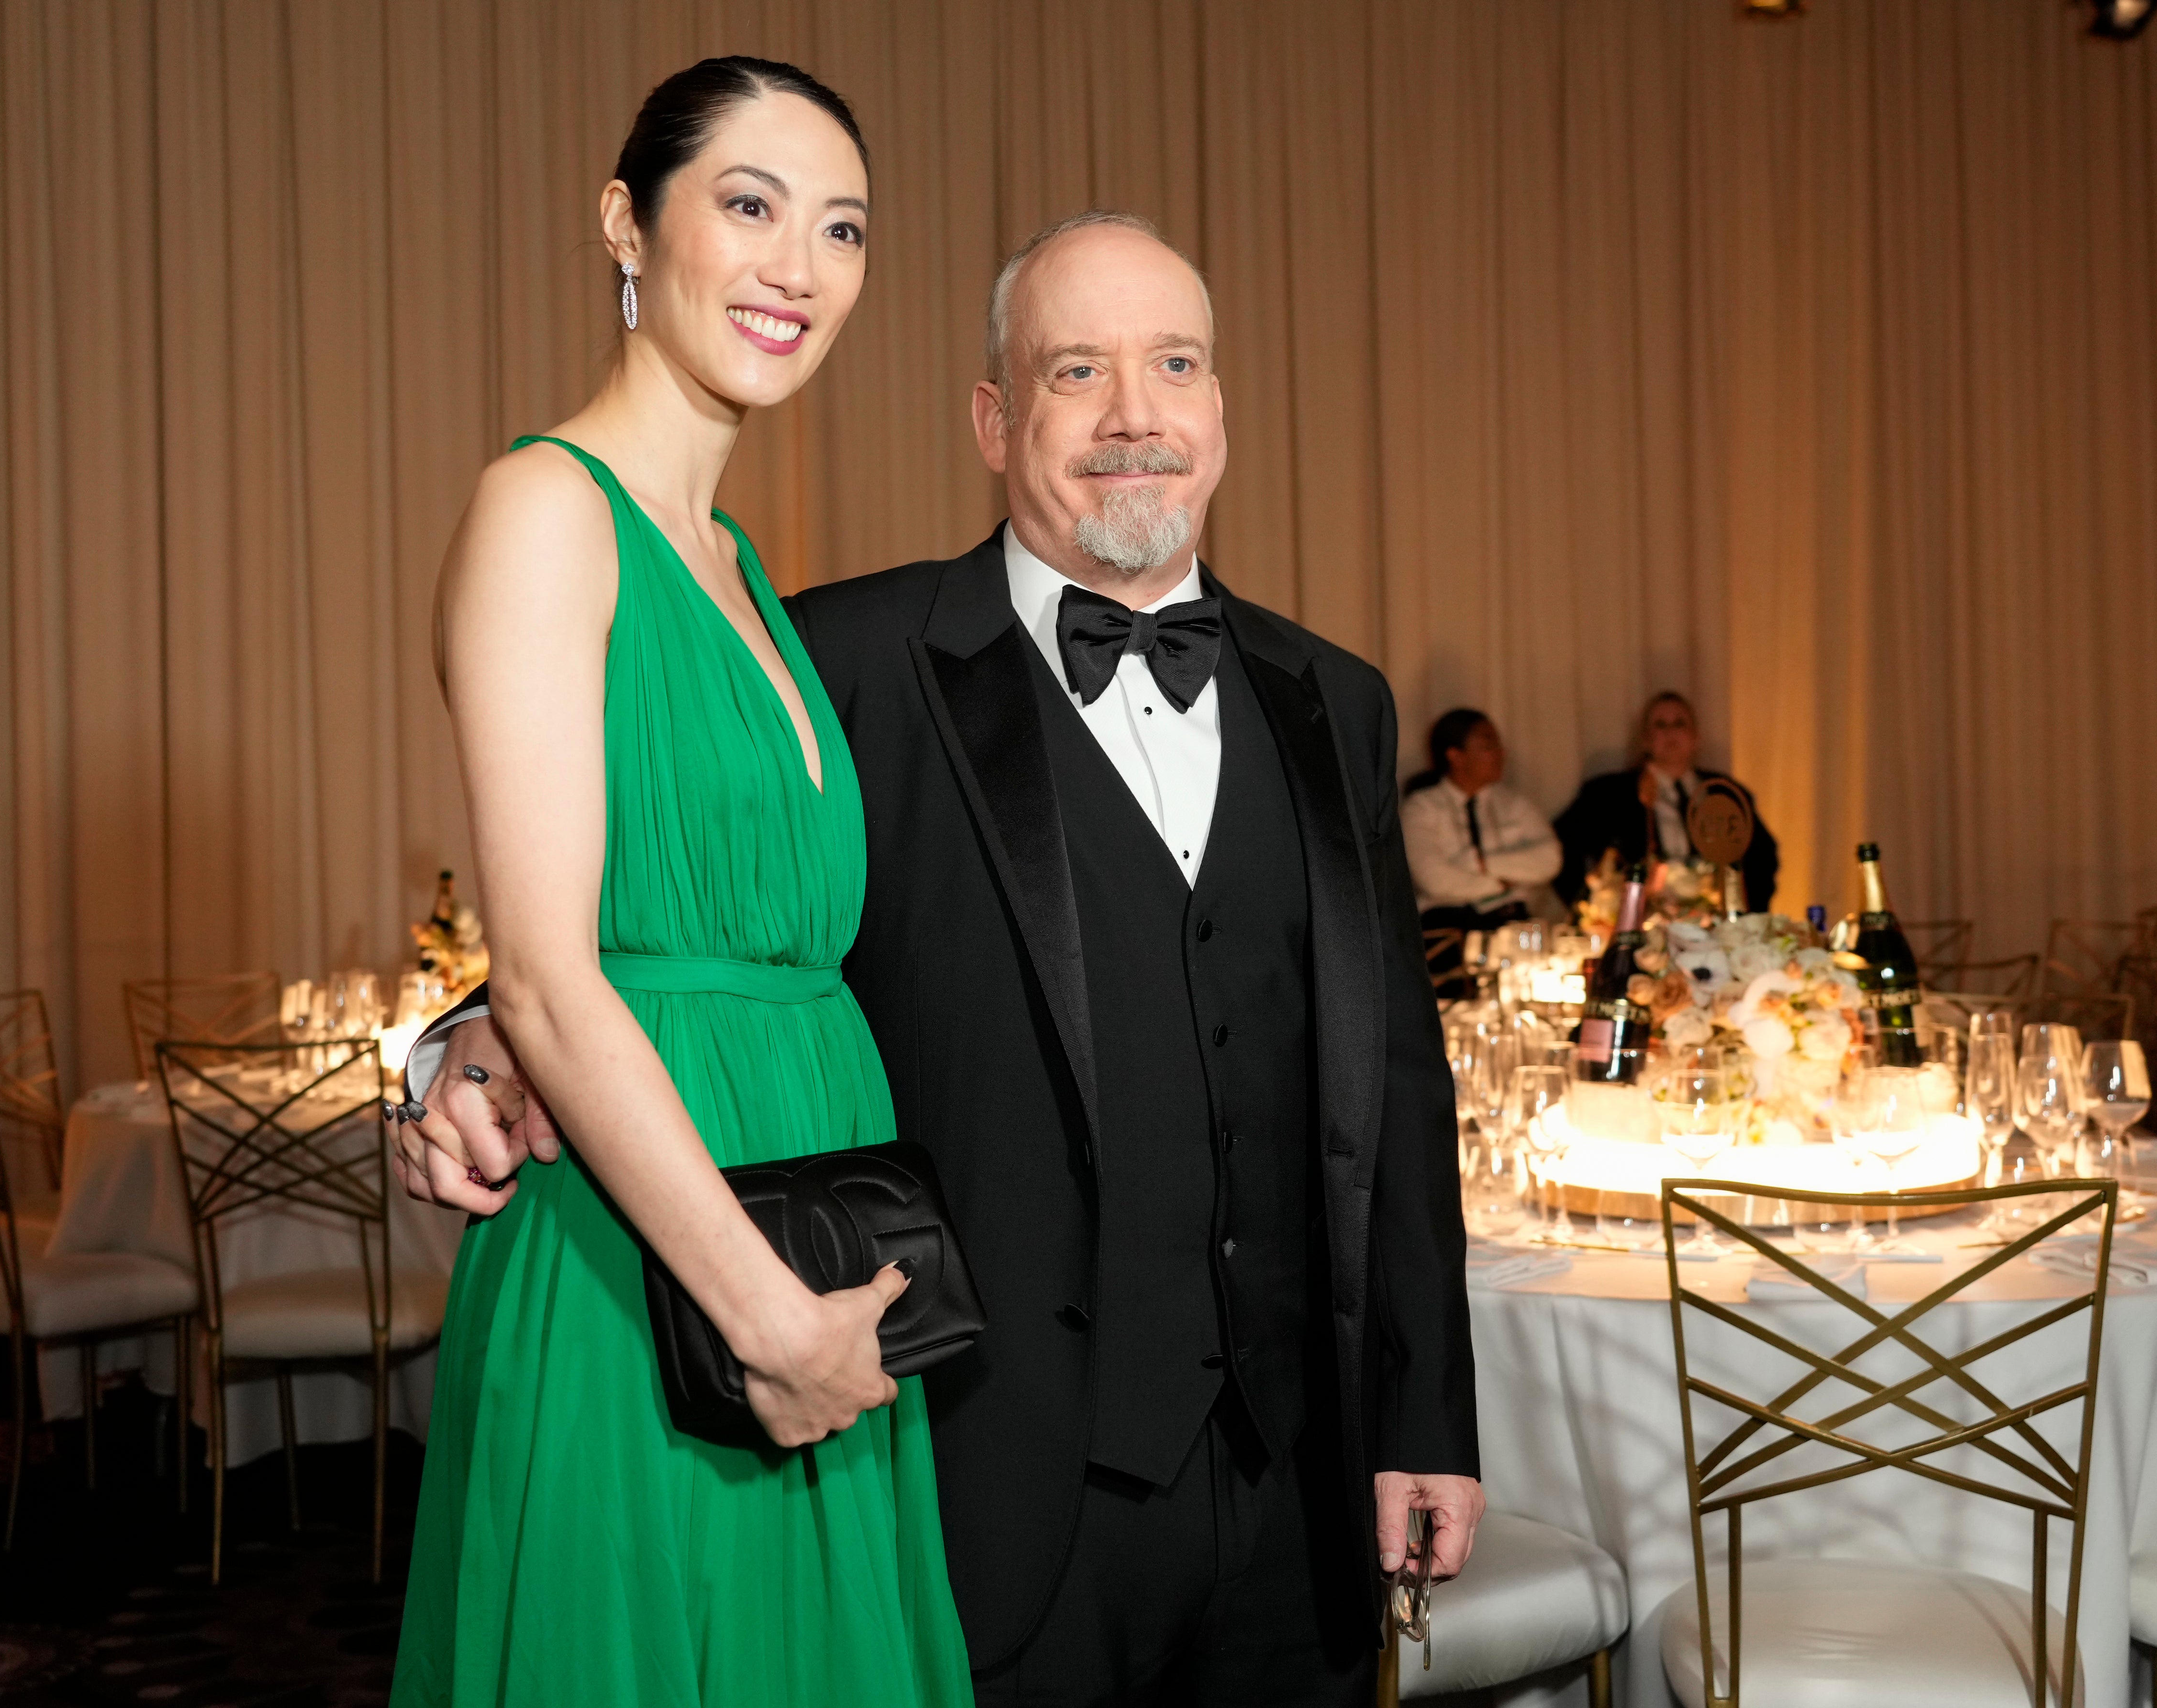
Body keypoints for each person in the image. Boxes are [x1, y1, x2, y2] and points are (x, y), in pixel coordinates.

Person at [405, 210, 1483, 1706]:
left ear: (1221, 410)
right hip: (985, 1473)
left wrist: (1422, 1410)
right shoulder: (836, 655)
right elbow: (672, 903)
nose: (1133, 416)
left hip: (1295, 1493)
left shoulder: (1340, 699)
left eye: (1174, 364)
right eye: (1075, 371)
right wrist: (477, 1033)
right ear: (994, 417)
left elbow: (1399, 1092)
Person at [382, 59, 970, 1708]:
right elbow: (557, 976)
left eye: (840, 228)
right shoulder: (542, 512)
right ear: (624, 223)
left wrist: (806, 1322)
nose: (798, 267)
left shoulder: (737, 566)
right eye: (750, 204)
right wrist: (763, 1321)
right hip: (662, 1280)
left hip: (804, 1254)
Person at [1551, 688, 1779, 912]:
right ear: (1646, 739)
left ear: (1695, 737)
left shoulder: (1724, 793)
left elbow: (1763, 857)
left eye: (1680, 724)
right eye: (1661, 725)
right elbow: (1562, 847)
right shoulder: (1607, 794)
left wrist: (1746, 913)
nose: (1671, 733)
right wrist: (1590, 909)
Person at [1402, 708, 1560, 995]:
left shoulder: (1514, 803)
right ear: (1456, 755)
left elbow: (1550, 859)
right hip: (1450, 932)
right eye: (1488, 746)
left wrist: (1480, 863)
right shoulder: (1422, 807)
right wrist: (1501, 884)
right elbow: (1433, 879)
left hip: (1513, 926)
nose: (1500, 754)